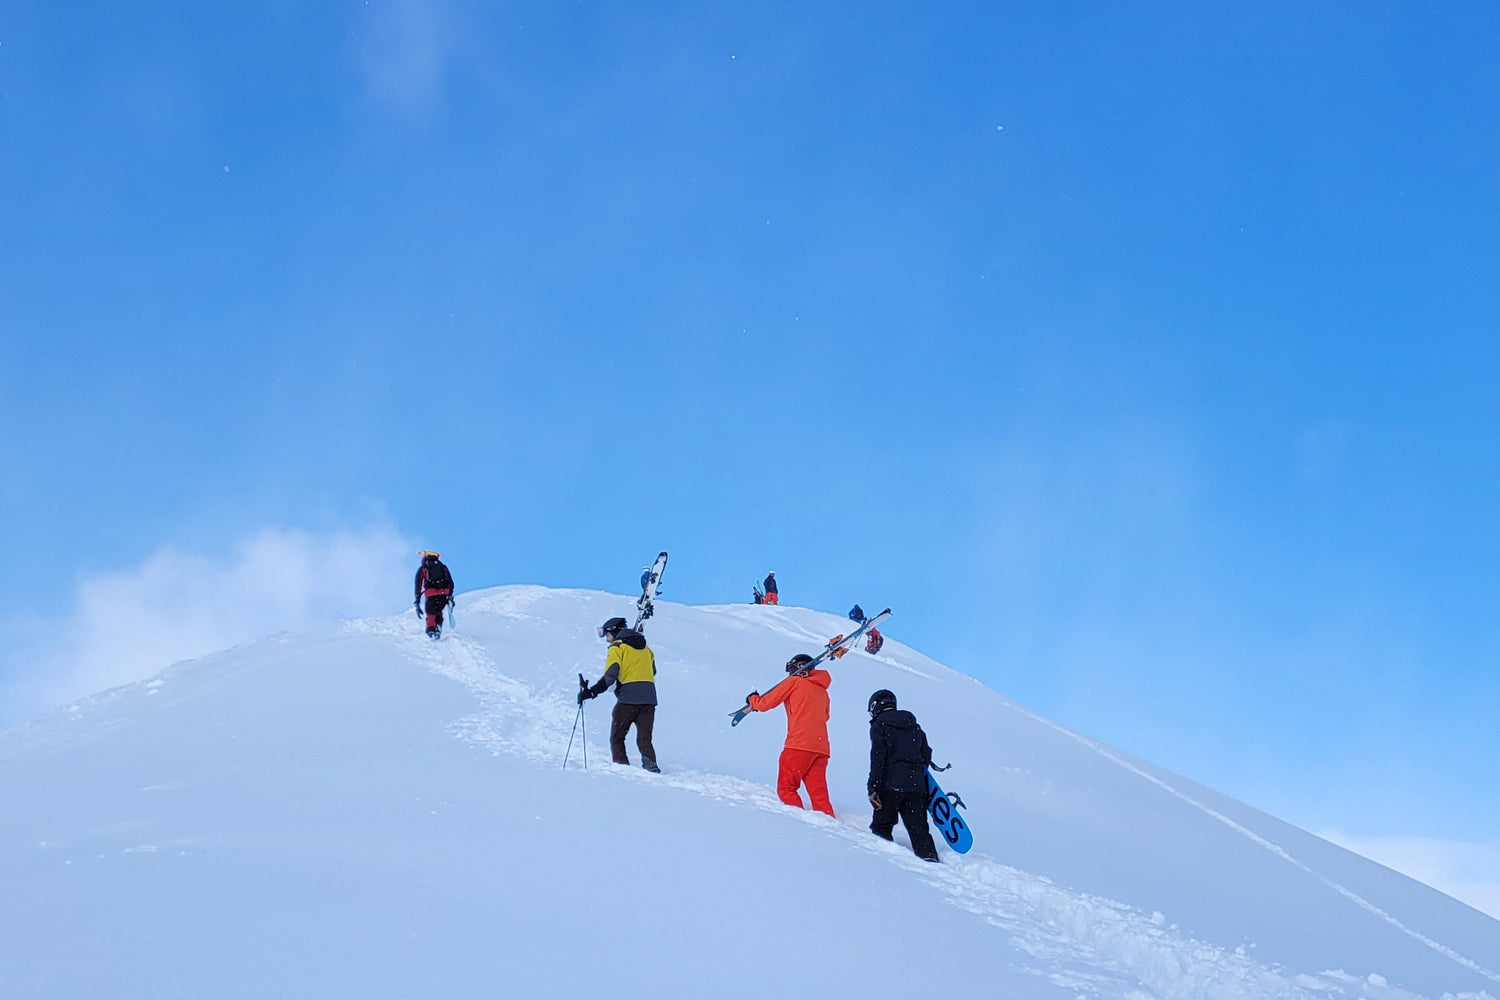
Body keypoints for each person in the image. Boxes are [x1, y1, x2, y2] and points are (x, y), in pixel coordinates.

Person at [744, 654, 834, 817]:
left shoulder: (793, 682)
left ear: (796, 668)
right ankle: (830, 825)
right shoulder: (822, 690)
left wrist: (753, 699)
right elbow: (825, 716)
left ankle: (798, 823)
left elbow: (766, 704)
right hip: (821, 749)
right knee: (819, 795)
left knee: (787, 788)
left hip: (798, 745)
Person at [866, 689, 939, 862]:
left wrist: (873, 787)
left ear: (875, 707)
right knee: (919, 830)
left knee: (882, 826)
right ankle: (931, 861)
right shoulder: (914, 727)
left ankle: (886, 866)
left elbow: (878, 758)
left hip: (890, 786)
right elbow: (926, 755)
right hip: (916, 788)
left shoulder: (880, 726)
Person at [579, 616, 660, 773]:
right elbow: (653, 671)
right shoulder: (646, 649)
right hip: (649, 698)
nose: (607, 640)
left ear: (614, 632)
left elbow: (611, 675)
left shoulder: (617, 648)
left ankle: (622, 768)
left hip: (628, 699)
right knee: (645, 737)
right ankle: (651, 766)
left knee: (617, 737)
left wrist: (591, 692)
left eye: (607, 635)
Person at [414, 551, 454, 639]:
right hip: (444, 594)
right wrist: (450, 596)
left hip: (431, 594)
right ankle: (438, 627)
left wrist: (417, 601)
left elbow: (418, 585)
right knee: (438, 611)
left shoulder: (423, 568)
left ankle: (431, 631)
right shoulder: (443, 567)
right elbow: (451, 582)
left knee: (431, 613)